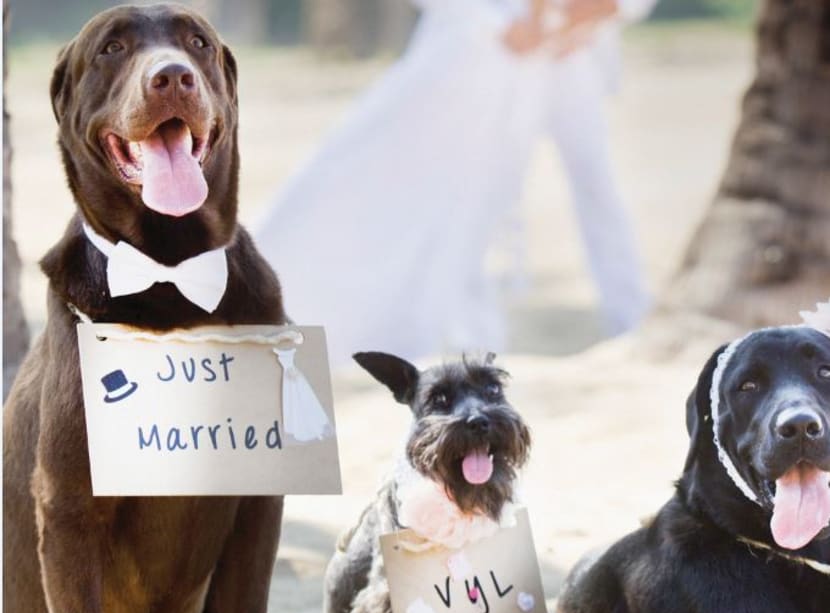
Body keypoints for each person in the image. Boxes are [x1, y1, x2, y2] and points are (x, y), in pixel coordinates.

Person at [255, 0, 655, 365]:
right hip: (484, 50)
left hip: (567, 54)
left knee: (595, 187)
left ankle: (632, 315)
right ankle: (474, 336)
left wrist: (594, 15)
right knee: (462, 194)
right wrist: (497, 22)